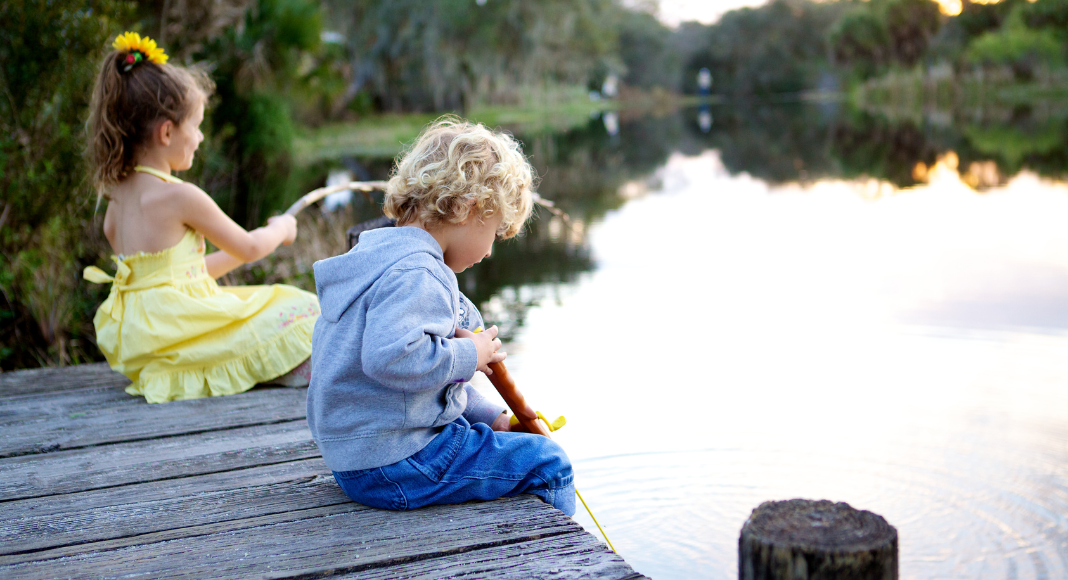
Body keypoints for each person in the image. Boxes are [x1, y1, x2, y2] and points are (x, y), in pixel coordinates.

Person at [308, 117, 575, 516]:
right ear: (468, 209)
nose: (488, 252)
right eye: (495, 232)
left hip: (358, 458)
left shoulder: (376, 256)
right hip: (397, 462)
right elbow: (391, 359)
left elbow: (423, 385)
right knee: (549, 464)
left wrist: (494, 418)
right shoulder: (420, 275)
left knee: (494, 442)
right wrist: (471, 356)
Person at [82, 32, 318, 404]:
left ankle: (197, 369)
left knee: (266, 305)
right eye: (196, 125)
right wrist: (280, 229)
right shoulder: (180, 196)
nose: (200, 137)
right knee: (303, 307)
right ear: (166, 131)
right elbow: (254, 247)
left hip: (149, 344)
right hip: (184, 327)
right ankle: (287, 367)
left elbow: (180, 279)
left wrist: (243, 247)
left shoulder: (116, 202)